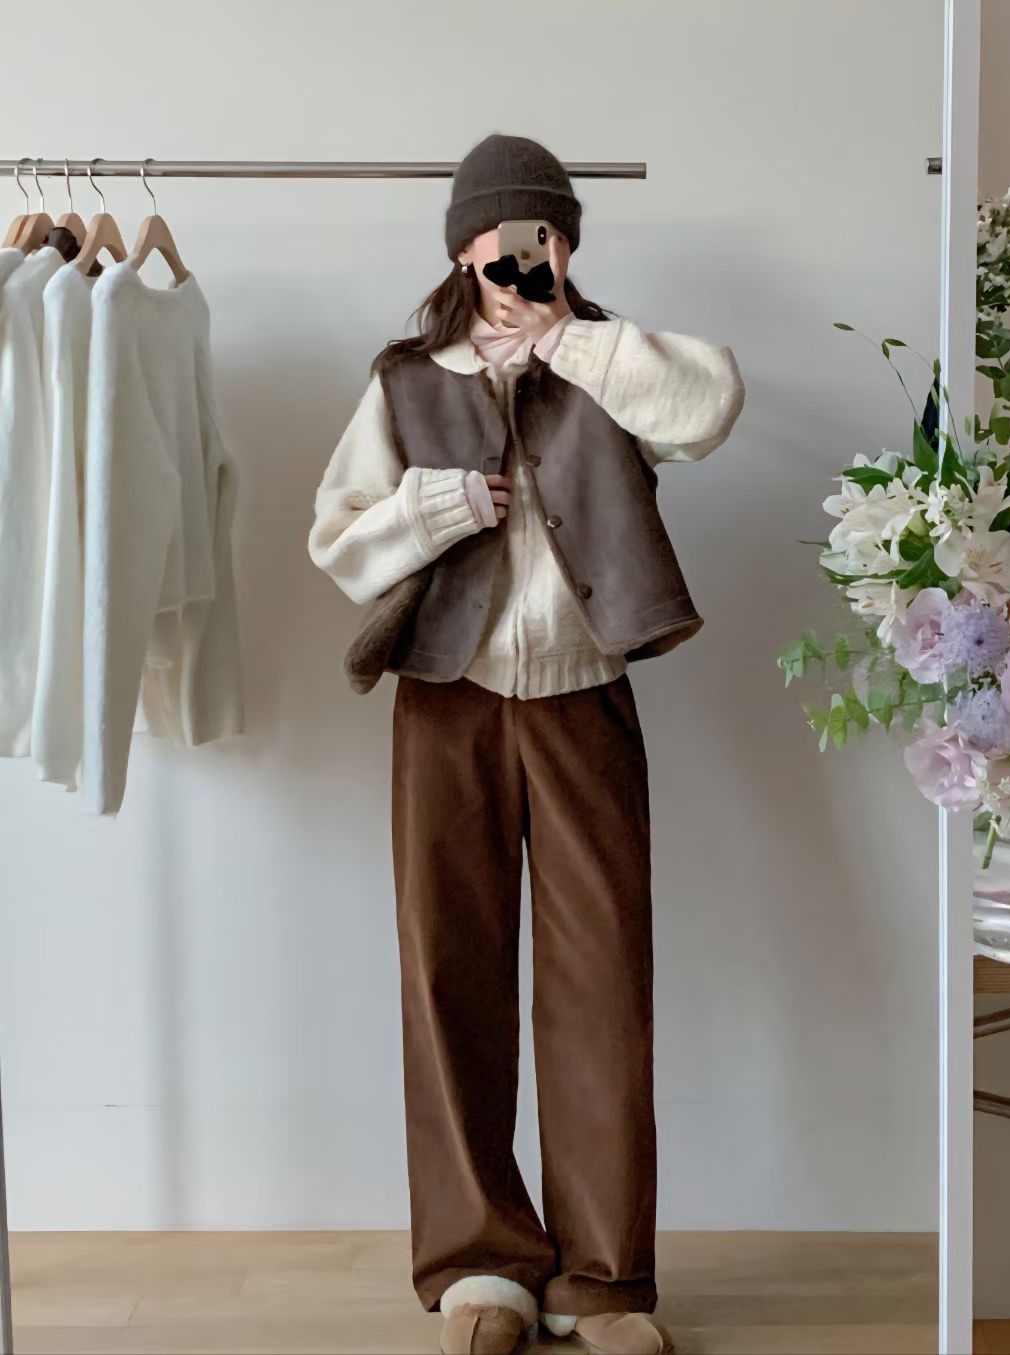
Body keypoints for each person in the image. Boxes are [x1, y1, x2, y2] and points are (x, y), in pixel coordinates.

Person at [309, 132, 745, 1355]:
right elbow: (336, 537)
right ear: (462, 246)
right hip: (445, 702)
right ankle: (480, 1264)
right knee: (449, 970)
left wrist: (570, 335)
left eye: (542, 235)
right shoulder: (407, 380)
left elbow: (709, 406)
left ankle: (602, 1276)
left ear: (565, 243)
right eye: (500, 236)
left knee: (603, 979)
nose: (517, 255)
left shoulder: (611, 362)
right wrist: (433, 506)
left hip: (583, 696)